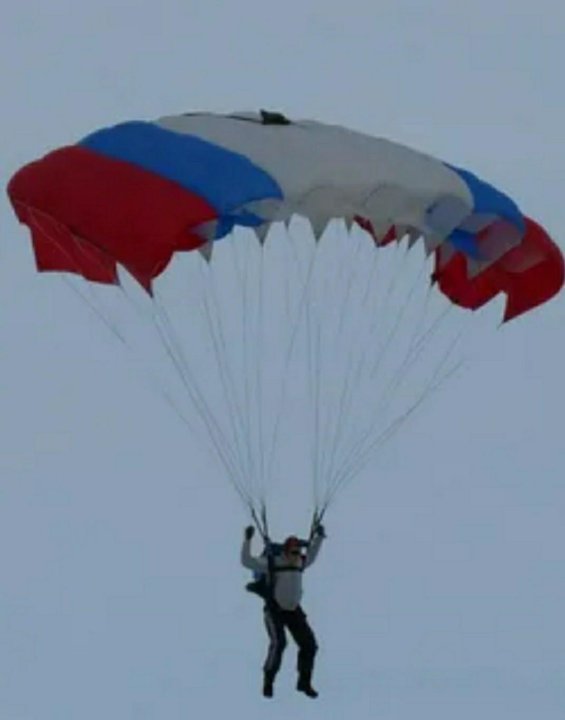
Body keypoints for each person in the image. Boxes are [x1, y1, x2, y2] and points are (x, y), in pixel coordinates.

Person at [241, 522, 326, 699]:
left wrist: (319, 537)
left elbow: (312, 554)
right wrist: (247, 540)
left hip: (294, 611)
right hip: (275, 610)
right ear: (285, 552)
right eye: (294, 552)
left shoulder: (301, 562)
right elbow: (247, 561)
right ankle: (268, 682)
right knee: (279, 643)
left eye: (299, 552)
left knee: (309, 645)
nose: (297, 556)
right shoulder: (273, 563)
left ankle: (304, 683)